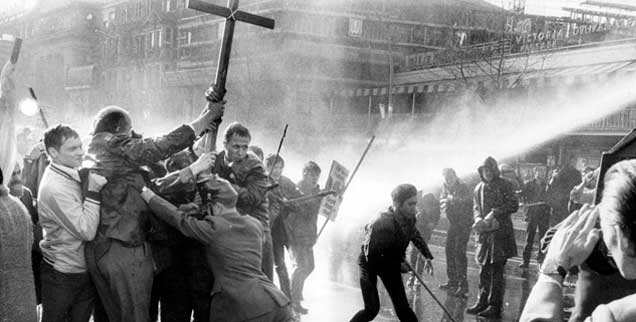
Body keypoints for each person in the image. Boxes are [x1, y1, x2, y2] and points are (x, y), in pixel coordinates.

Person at [84, 103, 222, 322]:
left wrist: (191, 169)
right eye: (130, 134)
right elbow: (158, 146)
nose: (133, 139)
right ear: (119, 128)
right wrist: (204, 121)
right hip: (124, 247)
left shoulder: (102, 153)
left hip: (106, 246)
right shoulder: (112, 143)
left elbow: (148, 188)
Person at [141, 176, 294, 322]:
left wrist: (147, 193)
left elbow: (178, 219)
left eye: (209, 207)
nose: (207, 211)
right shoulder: (255, 224)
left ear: (218, 206)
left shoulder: (214, 229)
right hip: (276, 303)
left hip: (242, 309)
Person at [520, 159, 636, 322]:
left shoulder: (613, 316)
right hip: (587, 305)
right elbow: (550, 237)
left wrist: (552, 271)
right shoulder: (591, 223)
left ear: (620, 237)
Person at [37, 124, 108, 322]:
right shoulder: (55, 187)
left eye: (80, 146)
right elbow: (86, 231)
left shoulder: (70, 172)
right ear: (53, 152)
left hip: (80, 269)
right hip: (62, 274)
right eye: (72, 149)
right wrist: (93, 191)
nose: (80, 152)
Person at [349, 183, 434, 322]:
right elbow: (372, 256)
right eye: (410, 204)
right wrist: (399, 266)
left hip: (391, 262)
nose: (414, 208)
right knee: (372, 309)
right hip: (370, 263)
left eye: (415, 204)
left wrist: (427, 256)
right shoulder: (381, 222)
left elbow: (414, 234)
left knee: (403, 309)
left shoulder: (409, 218)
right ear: (397, 204)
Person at [212, 122, 273, 280]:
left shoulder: (256, 167)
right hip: (226, 223)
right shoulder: (215, 160)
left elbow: (251, 198)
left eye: (245, 147)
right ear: (225, 144)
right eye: (236, 146)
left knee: (263, 280)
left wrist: (223, 184)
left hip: (255, 225)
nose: (241, 152)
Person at [467, 156, 519, 318]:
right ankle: (481, 301)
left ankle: (494, 305)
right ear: (481, 172)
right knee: (483, 269)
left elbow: (513, 205)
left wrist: (494, 213)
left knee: (497, 270)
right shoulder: (478, 188)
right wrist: (477, 218)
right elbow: (476, 207)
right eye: (484, 170)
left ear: (495, 170)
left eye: (490, 170)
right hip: (484, 235)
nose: (487, 173)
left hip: (500, 235)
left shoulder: (505, 185)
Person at [287, 161, 323, 314]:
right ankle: (293, 299)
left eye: (317, 176)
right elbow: (305, 208)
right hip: (296, 234)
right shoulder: (296, 190)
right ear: (304, 174)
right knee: (301, 266)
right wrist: (319, 196)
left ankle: (294, 290)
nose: (315, 178)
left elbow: (318, 209)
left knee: (310, 266)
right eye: (312, 175)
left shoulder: (316, 191)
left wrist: (332, 199)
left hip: (308, 234)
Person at [8, 161, 43, 304]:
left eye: (18, 173)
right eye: (11, 174)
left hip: (30, 266)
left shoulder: (26, 194)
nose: (17, 178)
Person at [266, 154, 299, 299]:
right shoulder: (262, 182)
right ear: (267, 167)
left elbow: (298, 202)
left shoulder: (287, 182)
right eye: (274, 167)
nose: (277, 171)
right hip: (267, 229)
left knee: (281, 265)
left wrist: (288, 203)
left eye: (280, 167)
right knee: (268, 267)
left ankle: (288, 299)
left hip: (283, 231)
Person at [438, 168, 472, 297]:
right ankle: (452, 280)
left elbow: (468, 201)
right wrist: (445, 200)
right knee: (449, 250)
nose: (448, 179)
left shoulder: (462, 186)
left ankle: (463, 285)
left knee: (459, 252)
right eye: (445, 177)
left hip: (464, 223)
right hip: (453, 223)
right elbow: (442, 198)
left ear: (455, 176)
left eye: (450, 176)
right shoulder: (444, 187)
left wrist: (451, 199)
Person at [519, 167, 551, 268]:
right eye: (538, 172)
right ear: (534, 173)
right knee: (529, 238)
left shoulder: (547, 186)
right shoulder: (528, 184)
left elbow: (551, 198)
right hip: (532, 215)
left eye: (542, 172)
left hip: (543, 215)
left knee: (543, 238)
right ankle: (525, 261)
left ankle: (541, 260)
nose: (540, 174)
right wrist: (523, 201)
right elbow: (522, 195)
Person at [407, 192, 439, 289]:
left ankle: (418, 276)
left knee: (421, 252)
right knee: (413, 252)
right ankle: (412, 274)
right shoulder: (416, 195)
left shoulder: (432, 197)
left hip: (425, 229)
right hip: (416, 226)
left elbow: (436, 212)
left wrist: (433, 222)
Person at [547, 157, 582, 226]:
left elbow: (550, 188)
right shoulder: (561, 172)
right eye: (573, 161)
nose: (573, 163)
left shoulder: (562, 171)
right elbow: (551, 187)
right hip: (563, 202)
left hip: (562, 202)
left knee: (558, 223)